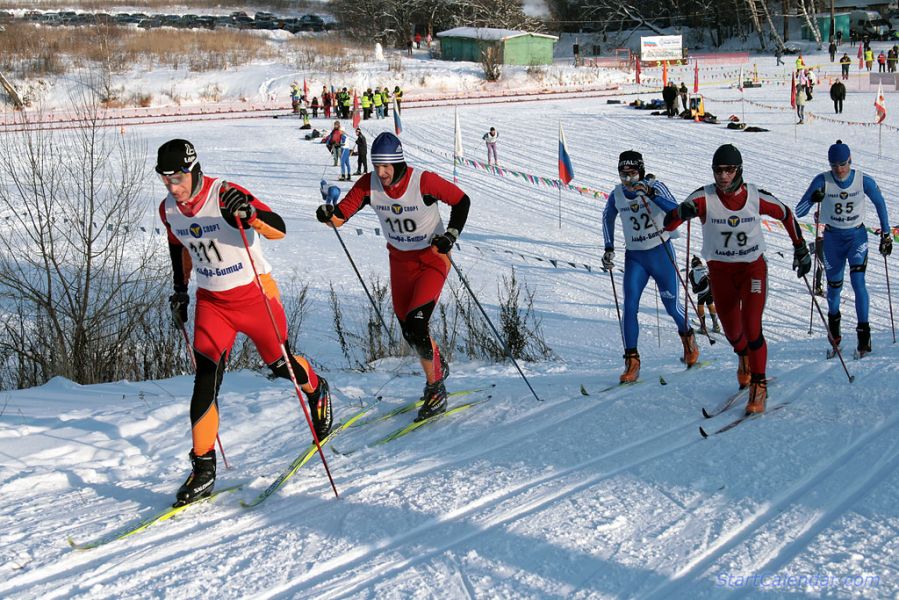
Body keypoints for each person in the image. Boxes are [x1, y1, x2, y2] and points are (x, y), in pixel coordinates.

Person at [156, 139, 332, 506]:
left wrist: (250, 214)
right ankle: (203, 468)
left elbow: (279, 228)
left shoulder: (224, 194)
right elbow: (179, 245)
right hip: (213, 302)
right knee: (206, 377)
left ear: (194, 170)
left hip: (254, 295)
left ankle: (317, 389)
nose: (174, 188)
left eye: (179, 178)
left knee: (280, 365)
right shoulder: (169, 210)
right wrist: (179, 290)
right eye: (165, 180)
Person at [315, 133, 471, 421]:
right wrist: (327, 214)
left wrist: (450, 235)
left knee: (417, 323)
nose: (382, 172)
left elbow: (462, 201)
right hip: (399, 261)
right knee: (407, 329)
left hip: (432, 257)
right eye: (377, 166)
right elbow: (340, 216)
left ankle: (435, 388)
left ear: (399, 162)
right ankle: (437, 365)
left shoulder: (422, 181)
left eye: (387, 166)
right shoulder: (368, 185)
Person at [663, 144, 810, 414]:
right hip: (720, 272)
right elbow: (669, 224)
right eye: (718, 170)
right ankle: (743, 357)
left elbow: (786, 214)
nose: (723, 176)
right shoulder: (703, 197)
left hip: (751, 270)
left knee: (752, 326)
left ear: (738, 170)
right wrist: (678, 214)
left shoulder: (755, 196)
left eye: (729, 170)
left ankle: (759, 383)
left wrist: (799, 246)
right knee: (732, 332)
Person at [602, 150, 698, 384]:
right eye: (623, 175)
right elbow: (607, 217)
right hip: (635, 257)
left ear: (641, 172)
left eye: (633, 175)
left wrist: (651, 193)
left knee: (672, 306)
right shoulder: (617, 194)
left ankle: (688, 339)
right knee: (630, 306)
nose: (628, 181)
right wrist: (608, 247)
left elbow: (677, 210)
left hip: (660, 253)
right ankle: (632, 361)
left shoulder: (656, 186)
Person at [795, 140, 892, 358]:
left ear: (850, 161)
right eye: (834, 165)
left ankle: (864, 336)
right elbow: (799, 211)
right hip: (832, 239)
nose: (839, 170)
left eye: (843, 164)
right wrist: (813, 198)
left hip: (856, 236)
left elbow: (880, 203)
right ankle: (835, 336)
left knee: (858, 282)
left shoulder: (862, 180)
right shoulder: (822, 180)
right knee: (834, 288)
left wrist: (886, 234)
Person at [688, 256, 720, 334]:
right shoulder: (707, 268)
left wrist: (695, 290)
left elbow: (695, 287)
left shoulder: (692, 272)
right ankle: (716, 326)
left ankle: (703, 327)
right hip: (712, 289)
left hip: (702, 290)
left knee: (700, 305)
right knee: (710, 304)